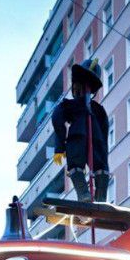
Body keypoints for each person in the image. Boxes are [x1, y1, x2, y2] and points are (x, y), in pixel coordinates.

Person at [51, 58, 110, 202]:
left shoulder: (93, 109)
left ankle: (92, 195)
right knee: (96, 164)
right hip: (90, 139)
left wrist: (60, 146)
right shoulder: (96, 109)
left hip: (79, 137)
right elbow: (105, 129)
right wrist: (59, 147)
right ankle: (89, 194)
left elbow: (57, 118)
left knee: (78, 163)